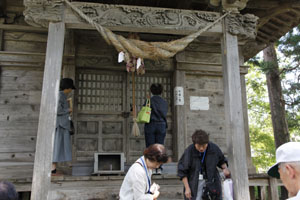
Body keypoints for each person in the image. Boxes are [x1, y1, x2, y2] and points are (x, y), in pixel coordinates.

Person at [177, 130, 230, 200]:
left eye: (204, 146)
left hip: (212, 182)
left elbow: (222, 161)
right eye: (199, 146)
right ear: (194, 143)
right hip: (195, 182)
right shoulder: (189, 151)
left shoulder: (214, 148)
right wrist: (187, 188)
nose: (201, 148)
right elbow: (182, 171)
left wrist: (225, 168)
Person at [52, 78, 76, 175]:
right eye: (70, 88)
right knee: (57, 145)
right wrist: (68, 110)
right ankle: (52, 167)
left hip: (62, 124)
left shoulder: (61, 95)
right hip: (60, 125)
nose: (70, 90)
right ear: (68, 87)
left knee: (59, 146)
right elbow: (57, 110)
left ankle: (53, 167)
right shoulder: (60, 95)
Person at [144, 83, 168, 174]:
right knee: (160, 147)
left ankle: (152, 168)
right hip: (161, 125)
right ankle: (159, 167)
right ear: (161, 91)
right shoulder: (164, 102)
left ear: (151, 91)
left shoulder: (149, 101)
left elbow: (144, 111)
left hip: (151, 124)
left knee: (151, 147)